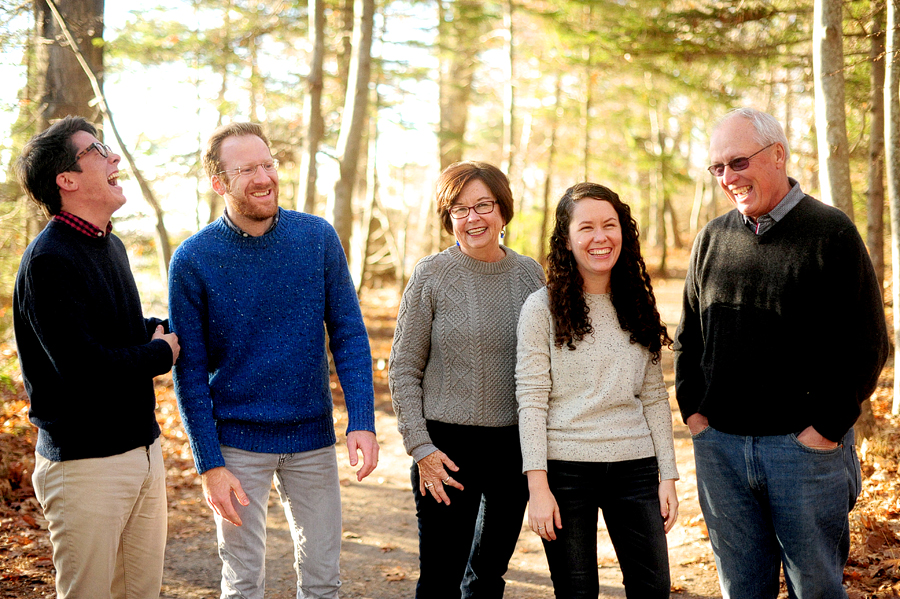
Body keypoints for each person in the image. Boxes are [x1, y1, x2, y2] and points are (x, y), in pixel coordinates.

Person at [674, 107, 889, 598]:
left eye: (738, 162)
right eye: (718, 168)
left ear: (778, 155)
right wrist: (696, 416)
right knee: (741, 588)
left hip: (803, 455)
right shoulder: (711, 239)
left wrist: (823, 430)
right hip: (722, 453)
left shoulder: (831, 234)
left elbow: (869, 343)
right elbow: (690, 339)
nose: (728, 177)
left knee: (814, 589)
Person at [168, 122, 379, 599]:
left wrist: (361, 420)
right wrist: (209, 464)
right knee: (242, 582)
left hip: (312, 440)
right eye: (247, 169)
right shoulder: (193, 259)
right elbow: (191, 373)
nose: (264, 178)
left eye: (269, 164)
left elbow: (348, 334)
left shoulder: (317, 238)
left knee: (323, 580)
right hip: (237, 446)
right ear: (219, 182)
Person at [13, 116, 180, 599]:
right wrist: (158, 353)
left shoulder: (111, 245)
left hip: (143, 453)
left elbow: (110, 333)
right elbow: (84, 368)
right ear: (66, 180)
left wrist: (151, 330)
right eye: (97, 150)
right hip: (86, 468)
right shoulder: (50, 260)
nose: (114, 158)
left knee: (141, 593)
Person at [388, 161, 545, 598]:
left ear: (502, 210)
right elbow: (402, 368)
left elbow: (544, 365)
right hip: (446, 449)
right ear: (448, 217)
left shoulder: (531, 275)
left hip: (513, 447)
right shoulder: (431, 275)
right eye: (460, 209)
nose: (473, 218)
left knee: (488, 575)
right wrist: (421, 449)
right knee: (440, 577)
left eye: (483, 205)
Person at [516, 182, 679, 598]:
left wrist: (668, 476)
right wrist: (538, 487)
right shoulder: (541, 308)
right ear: (567, 240)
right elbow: (531, 400)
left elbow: (654, 395)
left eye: (610, 225)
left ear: (623, 232)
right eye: (586, 227)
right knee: (577, 592)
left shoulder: (637, 302)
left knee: (653, 588)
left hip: (635, 466)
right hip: (566, 469)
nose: (600, 237)